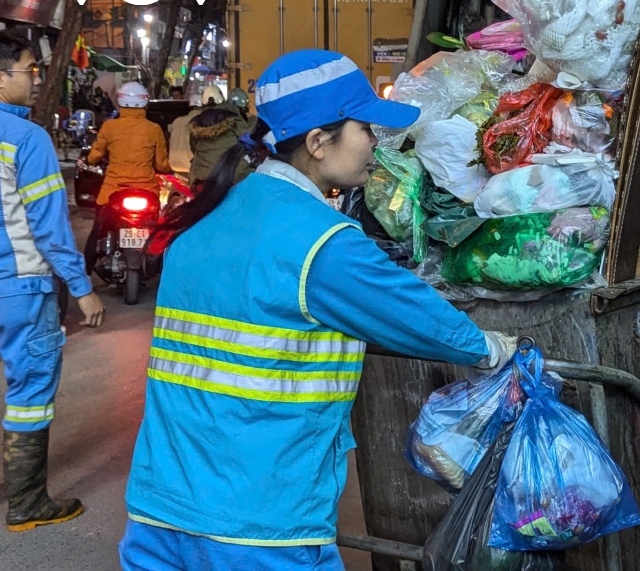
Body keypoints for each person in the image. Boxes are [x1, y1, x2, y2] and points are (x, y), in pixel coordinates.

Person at [117, 50, 514, 569]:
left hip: (158, 511)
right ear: (318, 142)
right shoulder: (320, 242)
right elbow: (415, 314)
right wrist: (489, 349)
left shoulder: (205, 221)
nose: (376, 144)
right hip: (260, 526)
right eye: (367, 129)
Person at [0, 33, 106, 532]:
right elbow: (47, 225)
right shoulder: (26, 139)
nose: (35, 79)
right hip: (20, 286)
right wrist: (81, 288)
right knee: (30, 390)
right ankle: (26, 503)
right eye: (28, 70)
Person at [85, 82, 170, 267]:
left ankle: (88, 264)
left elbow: (95, 155)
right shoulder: (154, 129)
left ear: (120, 102)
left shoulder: (109, 127)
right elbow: (161, 165)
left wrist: (90, 160)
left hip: (113, 190)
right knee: (156, 227)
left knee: (98, 226)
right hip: (146, 189)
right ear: (145, 103)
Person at [188, 86, 255, 185]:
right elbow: (249, 137)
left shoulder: (196, 123)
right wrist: (254, 120)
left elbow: (193, 147)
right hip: (229, 173)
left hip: (200, 175)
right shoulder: (232, 117)